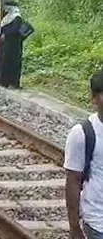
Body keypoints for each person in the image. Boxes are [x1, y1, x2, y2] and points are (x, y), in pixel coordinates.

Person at [64, 69, 103, 239]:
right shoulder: (83, 133)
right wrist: (74, 226)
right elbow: (73, 180)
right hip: (98, 222)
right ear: (94, 98)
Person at [0, 1, 23, 89]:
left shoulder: (17, 18)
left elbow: (14, 30)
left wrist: (5, 34)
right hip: (5, 44)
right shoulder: (7, 17)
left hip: (13, 45)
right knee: (2, 61)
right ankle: (2, 80)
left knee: (11, 63)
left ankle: (12, 82)